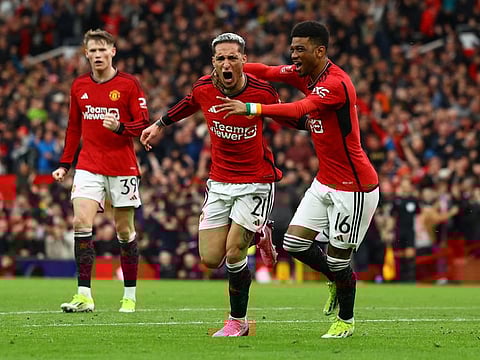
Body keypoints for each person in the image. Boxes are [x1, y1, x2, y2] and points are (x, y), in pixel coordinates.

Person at [216, 21, 380, 338]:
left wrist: (252, 107)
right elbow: (268, 71)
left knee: (338, 258)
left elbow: (301, 108)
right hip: (325, 181)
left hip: (355, 187)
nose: (294, 56)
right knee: (293, 243)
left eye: (300, 49)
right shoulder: (303, 73)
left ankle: (345, 321)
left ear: (320, 51)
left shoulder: (336, 84)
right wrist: (234, 62)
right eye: (292, 49)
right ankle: (335, 278)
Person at [141, 33, 299, 337]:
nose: (226, 63)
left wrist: (315, 114)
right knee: (211, 259)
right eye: (220, 58)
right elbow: (188, 104)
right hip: (219, 181)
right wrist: (158, 124)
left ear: (243, 60)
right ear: (214, 62)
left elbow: (287, 116)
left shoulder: (262, 91)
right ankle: (259, 232)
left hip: (255, 181)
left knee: (234, 252)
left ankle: (237, 321)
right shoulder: (204, 88)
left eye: (232, 57)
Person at [52, 29, 150, 313]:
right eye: (92, 51)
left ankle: (129, 295)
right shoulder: (79, 86)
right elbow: (73, 127)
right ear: (86, 54)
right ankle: (84, 295)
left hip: (122, 166)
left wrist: (120, 127)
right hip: (89, 165)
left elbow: (143, 123)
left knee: (124, 230)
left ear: (113, 52)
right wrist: (64, 164)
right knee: (81, 223)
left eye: (102, 50)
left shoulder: (129, 84)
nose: (97, 55)